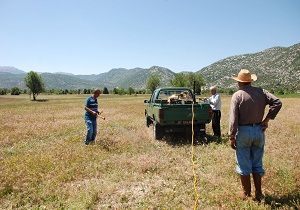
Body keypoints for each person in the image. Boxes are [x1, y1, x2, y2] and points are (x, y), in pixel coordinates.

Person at [229, 69, 282, 201]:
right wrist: (266, 120)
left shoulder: (237, 95)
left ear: (239, 82)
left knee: (243, 164)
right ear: (250, 81)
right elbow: (277, 102)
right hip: (259, 130)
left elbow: (233, 119)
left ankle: (247, 194)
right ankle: (259, 193)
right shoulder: (261, 92)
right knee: (257, 164)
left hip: (243, 132)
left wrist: (231, 136)